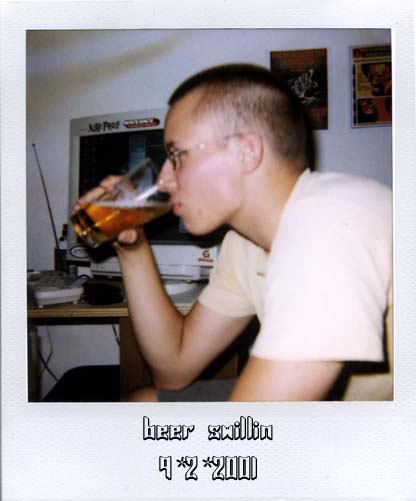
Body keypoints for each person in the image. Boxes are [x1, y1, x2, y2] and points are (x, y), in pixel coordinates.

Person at [75, 63, 392, 402]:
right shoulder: (244, 245)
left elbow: (258, 425)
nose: (163, 181)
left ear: (246, 152)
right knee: (143, 404)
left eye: (176, 155)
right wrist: (133, 248)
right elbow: (174, 368)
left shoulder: (330, 223)